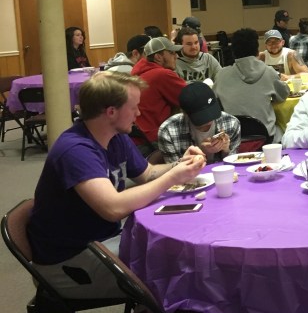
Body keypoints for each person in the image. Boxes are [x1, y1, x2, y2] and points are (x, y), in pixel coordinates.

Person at [27, 72, 206, 298]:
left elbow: (148, 174)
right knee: (182, 270)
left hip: (102, 241)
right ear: (111, 112)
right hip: (69, 262)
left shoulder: (115, 136)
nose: (138, 113)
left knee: (182, 255)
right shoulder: (75, 151)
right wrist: (173, 177)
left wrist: (180, 164)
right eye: (134, 107)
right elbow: (113, 209)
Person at [214, 27, 290, 142]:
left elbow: (216, 103)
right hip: (266, 138)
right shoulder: (269, 72)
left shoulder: (221, 75)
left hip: (234, 140)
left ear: (233, 51)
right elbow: (283, 95)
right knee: (284, 129)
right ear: (257, 50)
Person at [158, 81, 241, 164]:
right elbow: (175, 170)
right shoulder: (168, 131)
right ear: (184, 113)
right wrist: (201, 153)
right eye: (202, 116)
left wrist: (226, 150)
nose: (209, 120)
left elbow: (235, 166)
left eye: (212, 112)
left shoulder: (230, 123)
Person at [131, 36, 187, 144]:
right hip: (155, 139)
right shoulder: (162, 75)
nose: (176, 56)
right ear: (158, 57)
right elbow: (192, 98)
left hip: (139, 138)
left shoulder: (138, 72)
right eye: (171, 53)